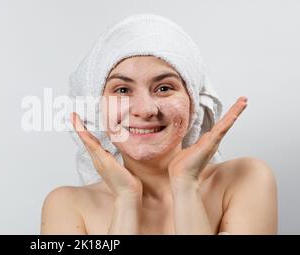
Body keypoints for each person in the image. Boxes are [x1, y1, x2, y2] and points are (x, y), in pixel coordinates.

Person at [41, 14, 277, 235]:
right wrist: (126, 199)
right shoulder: (67, 206)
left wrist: (186, 186)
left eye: (164, 88)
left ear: (193, 102)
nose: (145, 110)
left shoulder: (245, 179)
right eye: (122, 90)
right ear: (97, 107)